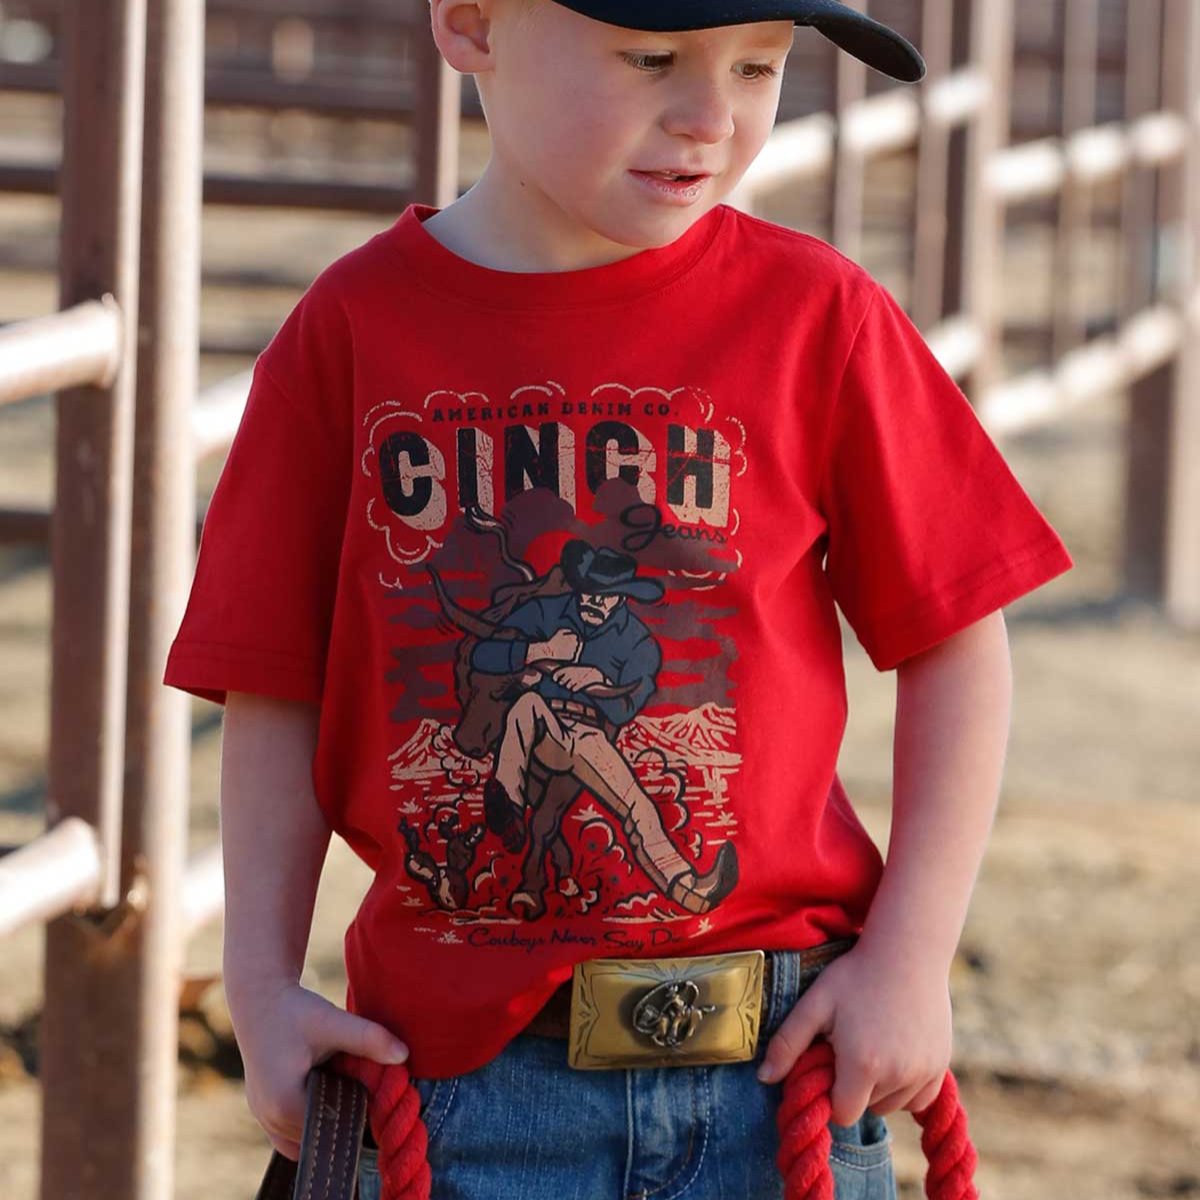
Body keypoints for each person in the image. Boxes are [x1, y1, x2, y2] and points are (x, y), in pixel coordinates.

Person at [163, 2, 1073, 1197]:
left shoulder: (819, 318)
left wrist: (911, 953)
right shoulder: (351, 332)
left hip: (773, 1073)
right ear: (473, 23)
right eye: (651, 58)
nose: (711, 117)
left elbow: (956, 635)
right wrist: (263, 985)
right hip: (460, 1093)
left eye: (758, 66)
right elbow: (274, 683)